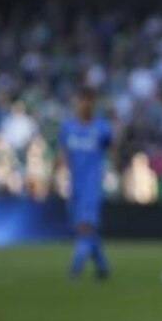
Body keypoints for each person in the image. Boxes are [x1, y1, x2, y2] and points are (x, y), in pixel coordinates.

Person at [58, 86, 112, 281]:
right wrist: (62, 172)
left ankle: (76, 266)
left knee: (85, 226)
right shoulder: (67, 127)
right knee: (81, 227)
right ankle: (102, 265)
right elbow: (63, 151)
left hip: (92, 183)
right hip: (74, 183)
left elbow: (111, 149)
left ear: (93, 103)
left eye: (87, 100)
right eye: (80, 100)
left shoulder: (101, 127)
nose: (83, 104)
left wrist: (108, 169)